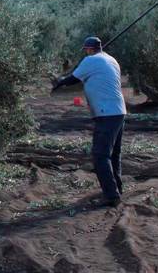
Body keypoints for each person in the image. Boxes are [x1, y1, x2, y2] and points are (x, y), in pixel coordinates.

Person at [53, 36, 127, 207]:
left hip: (105, 113)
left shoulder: (90, 60)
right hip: (119, 111)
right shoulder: (111, 59)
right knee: (113, 154)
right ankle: (117, 190)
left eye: (85, 50)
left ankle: (111, 196)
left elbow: (73, 79)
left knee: (100, 156)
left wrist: (59, 83)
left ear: (88, 49)